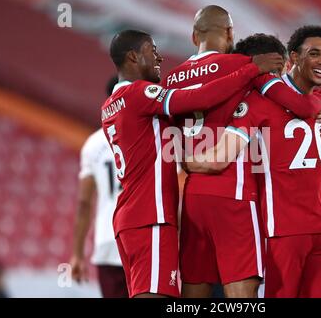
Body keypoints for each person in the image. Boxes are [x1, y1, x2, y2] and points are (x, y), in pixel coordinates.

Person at [101, 29, 284, 298]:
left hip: (129, 218)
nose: (159, 57)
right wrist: (250, 68)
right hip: (151, 215)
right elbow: (199, 99)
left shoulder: (110, 105)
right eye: (152, 51)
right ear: (133, 56)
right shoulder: (139, 94)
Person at [161, 5, 321, 298]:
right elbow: (301, 105)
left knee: (194, 286)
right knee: (242, 294)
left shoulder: (172, 79)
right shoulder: (243, 66)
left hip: (194, 196)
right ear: (229, 33)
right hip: (234, 194)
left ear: (193, 36)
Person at [186, 31, 321, 298]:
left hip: (285, 231)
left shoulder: (257, 103)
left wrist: (185, 159)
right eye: (315, 54)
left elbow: (218, 158)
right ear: (292, 59)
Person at [70, 76, 128, 298]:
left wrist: (77, 254)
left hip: (108, 239)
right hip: (145, 238)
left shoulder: (94, 143)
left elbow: (84, 203)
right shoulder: (151, 134)